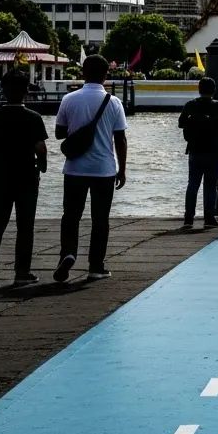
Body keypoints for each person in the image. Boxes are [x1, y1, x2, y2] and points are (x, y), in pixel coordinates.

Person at [54, 54, 128, 282]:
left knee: (71, 216)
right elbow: (120, 139)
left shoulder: (69, 99)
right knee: (100, 219)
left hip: (75, 168)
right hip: (104, 169)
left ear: (83, 73)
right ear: (106, 75)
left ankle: (67, 253)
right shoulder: (113, 102)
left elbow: (59, 133)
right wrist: (122, 169)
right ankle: (96, 266)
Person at [0, 70, 48, 291]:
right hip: (26, 177)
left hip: (0, 176)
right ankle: (22, 273)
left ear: (2, 90)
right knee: (25, 226)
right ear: (26, 90)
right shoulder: (33, 118)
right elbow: (40, 148)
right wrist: (42, 164)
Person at [178, 76, 218, 230]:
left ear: (199, 89)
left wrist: (195, 121)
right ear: (214, 90)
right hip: (215, 150)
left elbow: (181, 123)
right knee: (211, 186)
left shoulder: (191, 105)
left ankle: (188, 219)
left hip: (195, 149)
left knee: (192, 184)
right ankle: (209, 218)